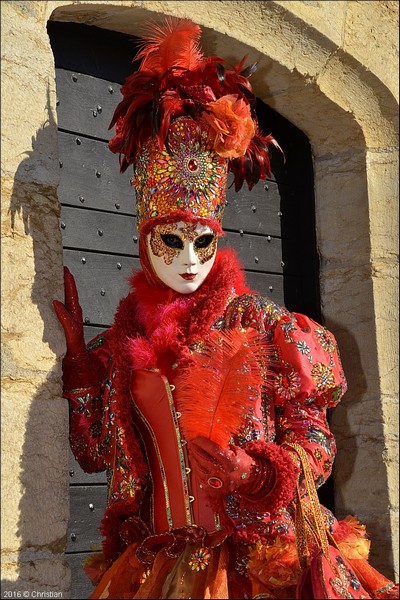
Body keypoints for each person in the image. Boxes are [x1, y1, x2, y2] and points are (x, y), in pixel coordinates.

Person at [53, 17, 398, 600]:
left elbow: (315, 444)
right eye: (171, 240)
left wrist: (261, 472)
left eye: (203, 240)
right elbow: (96, 456)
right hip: (157, 568)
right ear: (144, 242)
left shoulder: (268, 329)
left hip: (260, 563)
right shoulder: (119, 349)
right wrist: (79, 372)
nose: (189, 258)